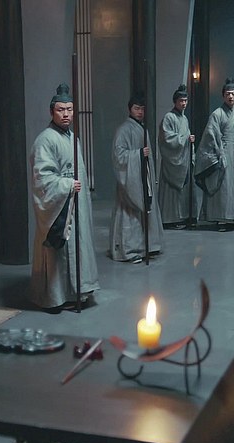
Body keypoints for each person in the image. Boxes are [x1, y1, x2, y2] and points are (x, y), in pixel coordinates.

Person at [28, 83, 99, 310]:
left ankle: (77, 290)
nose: (66, 114)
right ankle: (56, 296)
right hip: (60, 205)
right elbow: (42, 178)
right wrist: (66, 184)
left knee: (78, 245)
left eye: (69, 109)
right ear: (52, 112)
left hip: (75, 202)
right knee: (59, 251)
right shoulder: (45, 140)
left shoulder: (73, 138)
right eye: (60, 110)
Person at [109, 94, 164, 262]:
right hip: (130, 180)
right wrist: (138, 154)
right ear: (130, 109)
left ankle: (149, 245)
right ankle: (129, 249)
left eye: (142, 109)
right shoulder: (124, 130)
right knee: (130, 214)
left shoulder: (142, 128)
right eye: (136, 108)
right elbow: (118, 156)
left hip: (143, 176)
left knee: (147, 210)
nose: (140, 112)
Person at [194, 77, 234, 231]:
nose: (230, 96)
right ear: (223, 96)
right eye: (227, 94)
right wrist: (218, 154)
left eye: (233, 94)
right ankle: (221, 217)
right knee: (223, 186)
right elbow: (211, 135)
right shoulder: (217, 114)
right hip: (223, 153)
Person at [157, 84, 199, 229]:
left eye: (185, 101)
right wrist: (186, 139)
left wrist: (189, 142)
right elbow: (166, 138)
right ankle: (170, 219)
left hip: (184, 159)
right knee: (172, 192)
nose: (184, 103)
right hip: (173, 161)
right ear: (175, 101)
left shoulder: (184, 119)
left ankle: (185, 216)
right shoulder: (169, 117)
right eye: (181, 101)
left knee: (185, 190)